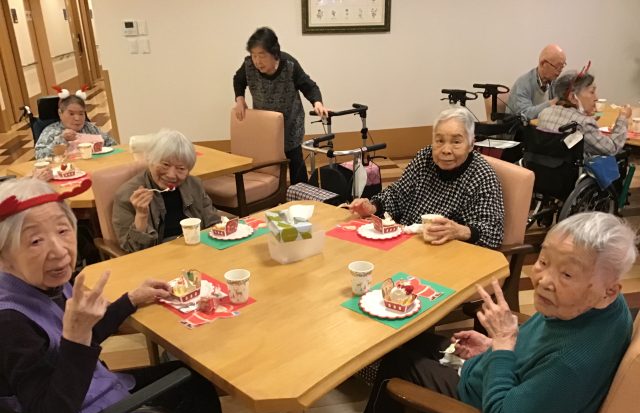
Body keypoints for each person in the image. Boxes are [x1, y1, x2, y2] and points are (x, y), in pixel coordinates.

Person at [340, 212, 635, 413]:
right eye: (544, 261)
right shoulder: (601, 307)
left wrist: (503, 346)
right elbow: (542, 352)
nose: (544, 280)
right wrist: (493, 345)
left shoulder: (572, 362)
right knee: (411, 339)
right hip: (509, 385)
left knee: (397, 370)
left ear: (609, 291)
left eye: (567, 274)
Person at [0, 178, 223, 413]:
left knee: (190, 378)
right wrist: (76, 336)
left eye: (63, 230)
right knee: (196, 389)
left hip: (89, 391)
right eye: (35, 241)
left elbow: (82, 335)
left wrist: (130, 300)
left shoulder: (38, 281)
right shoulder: (10, 322)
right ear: (3, 253)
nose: (59, 251)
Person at [348, 107, 504, 249]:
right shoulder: (425, 157)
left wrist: (459, 231)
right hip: (407, 242)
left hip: (446, 251)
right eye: (439, 141)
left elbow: (493, 232)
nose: (446, 150)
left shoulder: (482, 175)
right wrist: (373, 207)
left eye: (456, 142)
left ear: (471, 144)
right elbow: (398, 194)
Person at [233, 26, 330, 185]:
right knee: (268, 163)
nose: (257, 61)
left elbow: (309, 86)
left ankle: (301, 192)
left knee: (294, 160)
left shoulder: (289, 65)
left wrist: (317, 102)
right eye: (254, 55)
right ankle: (272, 193)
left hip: (290, 123)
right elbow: (238, 79)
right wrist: (240, 99)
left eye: (262, 55)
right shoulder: (248, 65)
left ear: (274, 53)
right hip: (265, 124)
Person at [112, 129, 222, 253]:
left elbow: (214, 223)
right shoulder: (127, 194)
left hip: (197, 250)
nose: (171, 175)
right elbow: (132, 249)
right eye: (165, 165)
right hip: (157, 256)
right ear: (150, 161)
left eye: (181, 168)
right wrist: (141, 215)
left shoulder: (194, 185)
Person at [537, 64, 632, 158]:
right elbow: (612, 148)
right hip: (576, 167)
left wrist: (587, 118)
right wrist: (623, 117)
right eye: (592, 92)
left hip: (546, 167)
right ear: (572, 97)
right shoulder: (584, 124)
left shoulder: (544, 113)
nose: (596, 98)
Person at [34, 89, 116, 160]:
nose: (77, 118)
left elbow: (113, 145)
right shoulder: (51, 131)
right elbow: (39, 156)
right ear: (60, 113)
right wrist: (62, 139)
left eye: (81, 114)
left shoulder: (90, 128)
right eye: (71, 114)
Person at [507, 44, 566, 121]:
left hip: (541, 125)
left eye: (562, 66)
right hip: (518, 127)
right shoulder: (523, 83)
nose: (560, 71)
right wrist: (550, 104)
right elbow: (524, 114)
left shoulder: (554, 81)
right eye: (557, 66)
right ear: (543, 64)